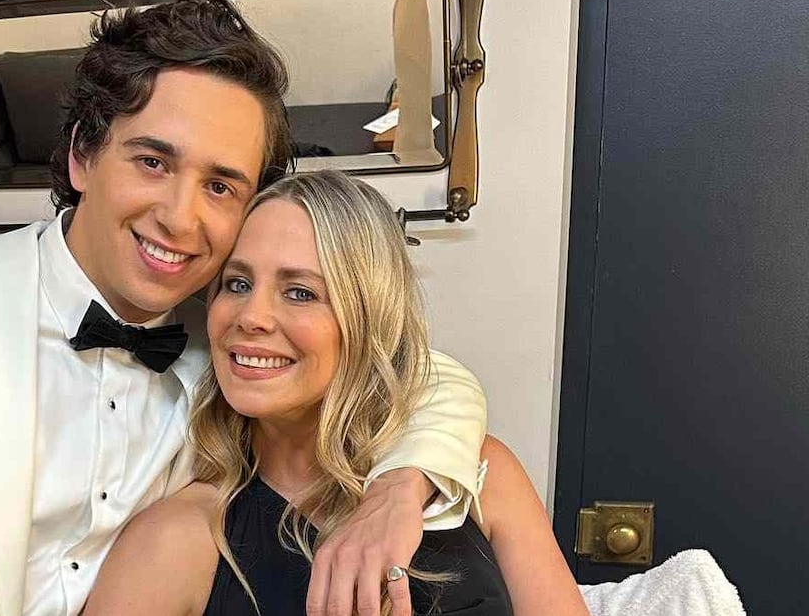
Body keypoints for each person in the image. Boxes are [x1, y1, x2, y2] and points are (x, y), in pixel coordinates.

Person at [0, 0, 486, 616]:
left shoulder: (233, 340)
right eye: (153, 162)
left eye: (221, 186)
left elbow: (414, 372)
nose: (179, 216)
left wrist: (400, 486)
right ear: (83, 155)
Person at [84, 171, 590, 616]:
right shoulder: (174, 542)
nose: (251, 317)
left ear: (369, 319)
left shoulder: (483, 476)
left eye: (300, 292)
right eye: (237, 284)